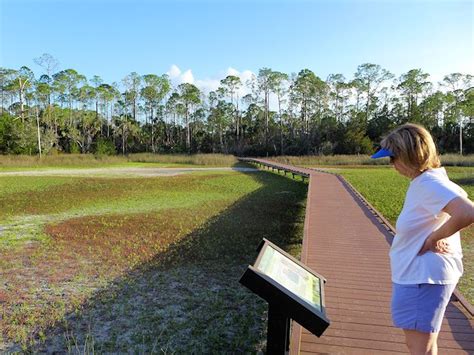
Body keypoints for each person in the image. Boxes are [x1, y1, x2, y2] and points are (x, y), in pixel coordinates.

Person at [371, 123, 474, 355]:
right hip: (419, 277)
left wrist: (433, 239)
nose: (391, 164)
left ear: (410, 154)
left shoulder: (429, 183)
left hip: (422, 278)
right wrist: (435, 235)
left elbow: (467, 212)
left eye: (393, 157)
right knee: (422, 346)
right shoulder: (427, 181)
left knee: (420, 349)